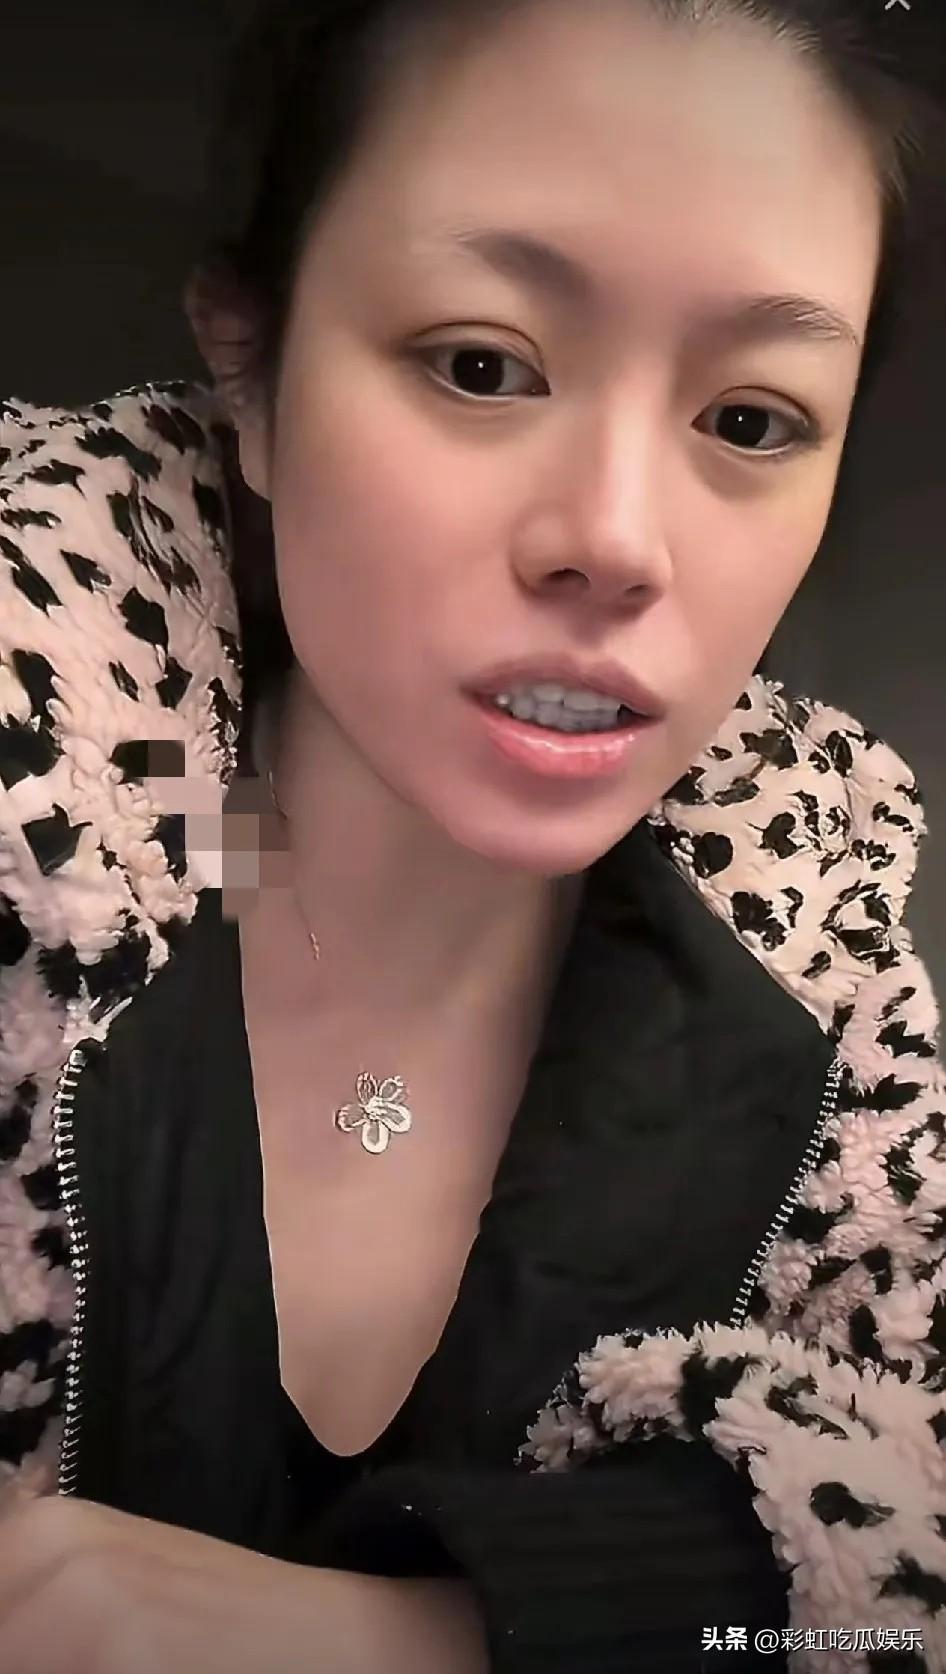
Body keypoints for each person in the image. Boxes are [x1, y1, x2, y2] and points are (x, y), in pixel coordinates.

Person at [0, 0, 943, 1669]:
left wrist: (456, 1635)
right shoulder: (50, 837)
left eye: (749, 420)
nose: (617, 540)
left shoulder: (819, 994)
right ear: (251, 369)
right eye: (482, 364)